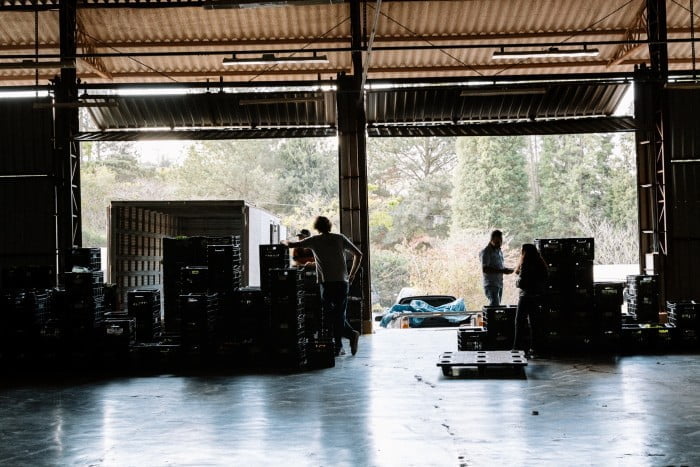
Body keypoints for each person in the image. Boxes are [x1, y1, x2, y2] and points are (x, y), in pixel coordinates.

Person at [282, 216, 363, 357]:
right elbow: (358, 254)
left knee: (331, 315)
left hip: (326, 283)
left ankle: (340, 344)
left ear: (316, 227)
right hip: (342, 282)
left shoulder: (314, 240)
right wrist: (352, 274)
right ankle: (349, 336)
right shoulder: (339, 238)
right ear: (329, 226)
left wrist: (283, 240)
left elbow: (290, 245)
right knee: (338, 314)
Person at [512, 243, 548, 354]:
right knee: (534, 323)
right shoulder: (541, 264)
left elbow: (521, 283)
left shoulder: (526, 264)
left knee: (519, 322)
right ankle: (536, 348)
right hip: (537, 296)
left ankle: (518, 347)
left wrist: (517, 282)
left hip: (525, 296)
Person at [479, 230, 514, 307]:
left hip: (499, 284)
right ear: (491, 240)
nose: (499, 244)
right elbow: (485, 269)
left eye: (500, 241)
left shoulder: (499, 251)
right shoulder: (486, 251)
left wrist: (507, 270)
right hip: (491, 284)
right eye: (497, 242)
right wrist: (502, 271)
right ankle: (490, 319)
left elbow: (498, 267)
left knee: (496, 306)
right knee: (494, 306)